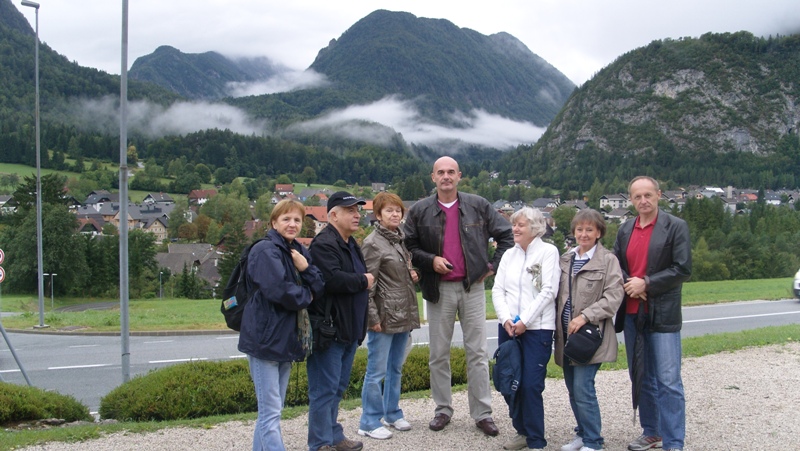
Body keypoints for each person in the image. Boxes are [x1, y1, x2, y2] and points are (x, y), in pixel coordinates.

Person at [404, 156, 514, 437]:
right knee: (438, 354)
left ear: (459, 176)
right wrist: (430, 261)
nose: (446, 176)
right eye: (440, 172)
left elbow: (507, 236)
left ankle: (483, 413)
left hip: (472, 288)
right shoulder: (419, 210)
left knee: (477, 353)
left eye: (451, 172)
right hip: (437, 289)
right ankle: (442, 409)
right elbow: (408, 246)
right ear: (433, 177)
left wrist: (492, 267)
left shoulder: (478, 205)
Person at [238, 199, 325, 451]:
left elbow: (320, 284)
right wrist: (307, 295)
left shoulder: (296, 250)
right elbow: (279, 291)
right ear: (274, 222)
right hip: (265, 339)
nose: (292, 224)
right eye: (286, 219)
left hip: (286, 339)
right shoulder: (265, 251)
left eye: (297, 220)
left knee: (272, 411)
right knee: (270, 412)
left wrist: (306, 268)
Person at [613, 176, 692, 451]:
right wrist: (630, 284)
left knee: (668, 380)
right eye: (637, 196)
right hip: (632, 314)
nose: (643, 200)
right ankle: (652, 432)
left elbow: (682, 268)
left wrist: (646, 283)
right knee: (641, 376)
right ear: (631, 200)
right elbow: (616, 265)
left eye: (648, 195)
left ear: (659, 195)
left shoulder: (675, 226)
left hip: (663, 314)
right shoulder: (625, 229)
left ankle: (673, 442)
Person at [307, 191, 373, 451]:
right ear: (333, 215)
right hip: (329, 331)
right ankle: (320, 443)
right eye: (350, 211)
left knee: (336, 388)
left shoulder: (351, 243)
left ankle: (334, 436)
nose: (357, 215)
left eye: (357, 210)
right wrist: (364, 280)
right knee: (324, 390)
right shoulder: (324, 244)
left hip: (348, 330)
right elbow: (332, 280)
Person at [554, 209, 624, 451]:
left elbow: (614, 297)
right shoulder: (566, 259)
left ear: (599, 233)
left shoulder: (608, 261)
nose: (583, 234)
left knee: (583, 389)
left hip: (590, 337)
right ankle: (582, 434)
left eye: (589, 230)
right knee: (573, 391)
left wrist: (585, 316)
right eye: (579, 229)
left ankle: (594, 442)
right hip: (566, 337)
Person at [491, 207, 560, 451]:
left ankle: (536, 440)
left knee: (530, 384)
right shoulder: (509, 255)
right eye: (514, 224)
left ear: (536, 227)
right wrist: (506, 319)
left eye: (521, 225)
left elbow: (548, 291)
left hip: (537, 329)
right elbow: (498, 289)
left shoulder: (548, 252)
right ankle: (521, 430)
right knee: (509, 381)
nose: (515, 229)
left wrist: (525, 321)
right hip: (509, 328)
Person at [357, 192, 421, 440]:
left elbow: (396, 274)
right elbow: (368, 285)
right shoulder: (373, 243)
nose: (395, 214)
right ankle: (369, 421)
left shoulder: (398, 239)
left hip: (402, 313)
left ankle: (392, 413)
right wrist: (373, 318)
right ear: (378, 215)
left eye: (398, 210)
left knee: (395, 367)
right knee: (376, 372)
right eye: (389, 211)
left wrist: (412, 273)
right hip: (384, 316)